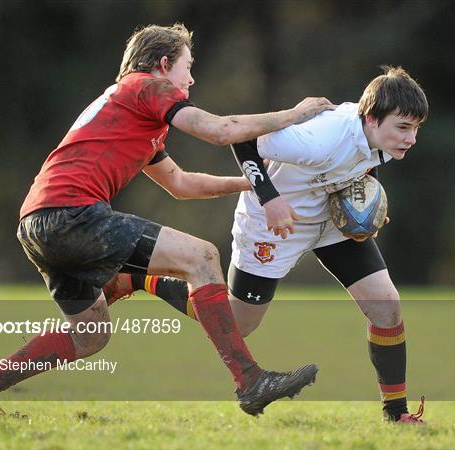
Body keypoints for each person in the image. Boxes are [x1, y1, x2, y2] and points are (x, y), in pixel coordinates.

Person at [0, 23, 334, 417]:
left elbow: (181, 184)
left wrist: (250, 184)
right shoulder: (146, 87)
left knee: (90, 335)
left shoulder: (131, 110)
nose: (192, 77)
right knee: (201, 257)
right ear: (164, 64)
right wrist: (294, 114)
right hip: (71, 213)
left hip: (38, 223)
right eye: (188, 66)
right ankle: (250, 381)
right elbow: (222, 130)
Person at [104, 66, 429, 424]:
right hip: (272, 223)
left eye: (415, 128)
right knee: (237, 323)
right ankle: (137, 279)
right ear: (370, 118)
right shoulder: (320, 137)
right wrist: (269, 198)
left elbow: (364, 165)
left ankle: (396, 414)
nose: (411, 138)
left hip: (330, 221)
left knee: (386, 305)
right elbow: (242, 140)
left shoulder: (385, 140)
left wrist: (368, 210)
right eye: (403, 127)